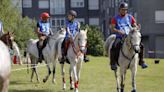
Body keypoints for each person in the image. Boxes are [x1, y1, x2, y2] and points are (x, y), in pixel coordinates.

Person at [110, 2, 148, 70]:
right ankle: (113, 63)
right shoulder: (115, 18)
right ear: (119, 10)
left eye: (125, 9)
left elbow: (134, 25)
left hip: (130, 36)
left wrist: (137, 27)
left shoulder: (130, 17)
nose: (124, 11)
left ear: (127, 10)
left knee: (141, 45)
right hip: (120, 36)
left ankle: (141, 62)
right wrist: (119, 32)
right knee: (114, 46)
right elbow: (112, 28)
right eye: (122, 9)